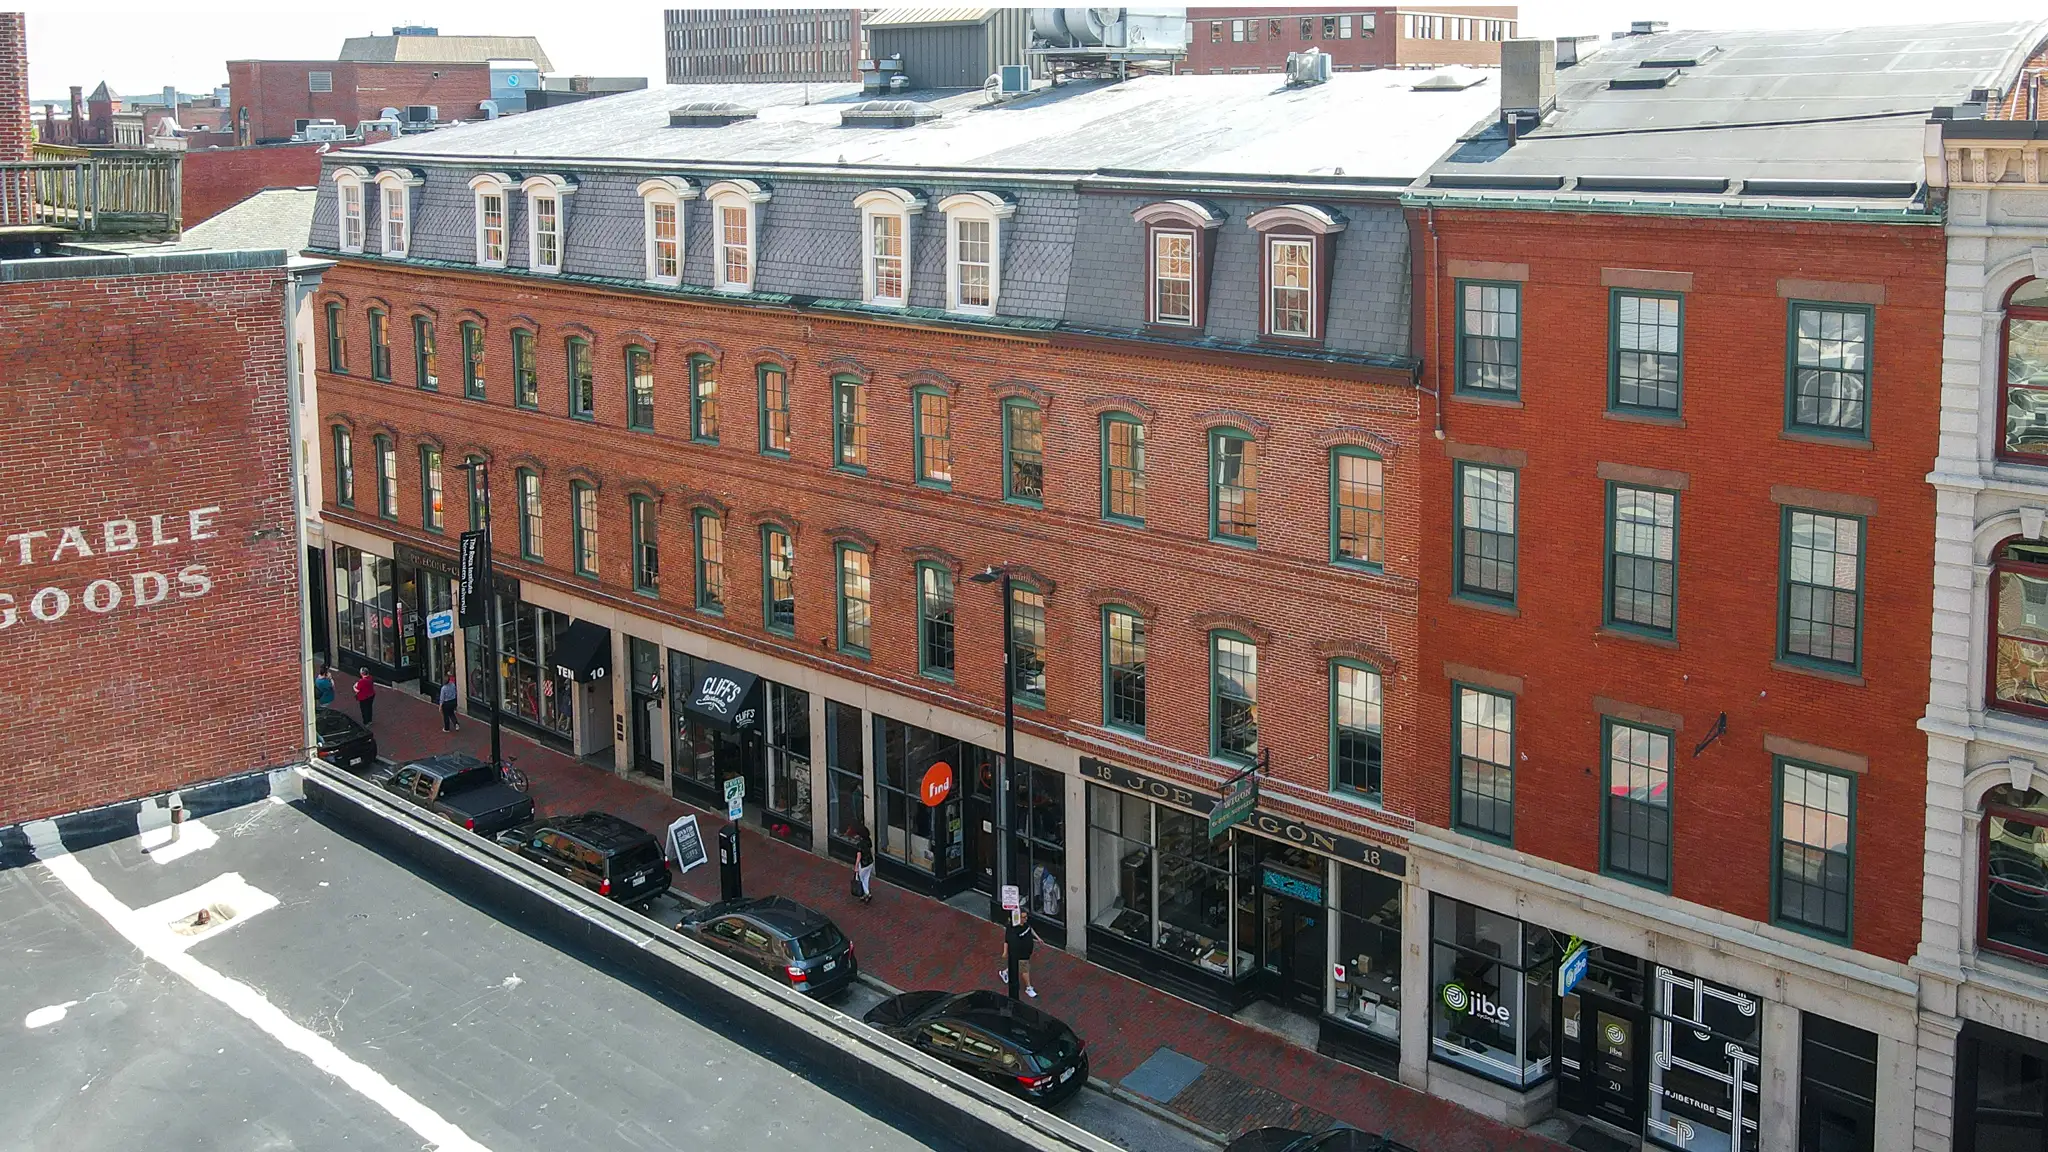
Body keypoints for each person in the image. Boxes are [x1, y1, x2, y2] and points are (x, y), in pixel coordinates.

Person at [1001, 908, 1037, 998]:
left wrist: (1038, 938)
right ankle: (1029, 988)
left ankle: (1005, 972)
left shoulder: (1026, 924)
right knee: (1024, 969)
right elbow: (1007, 940)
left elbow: (1030, 929)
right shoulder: (1012, 928)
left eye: (1026, 917)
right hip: (1019, 952)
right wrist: (1005, 952)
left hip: (1027, 951)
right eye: (1023, 917)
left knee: (1016, 964)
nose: (1026, 919)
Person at [849, 822, 875, 905]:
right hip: (870, 862)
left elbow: (858, 856)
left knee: (861, 879)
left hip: (863, 864)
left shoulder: (860, 844)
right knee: (866, 879)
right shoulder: (868, 840)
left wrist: (856, 866)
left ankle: (867, 893)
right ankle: (865, 894)